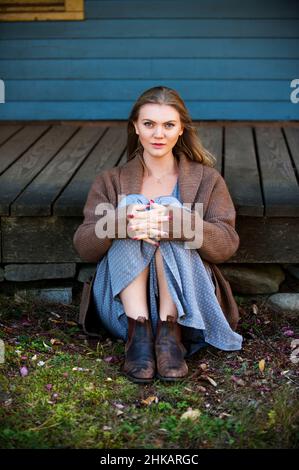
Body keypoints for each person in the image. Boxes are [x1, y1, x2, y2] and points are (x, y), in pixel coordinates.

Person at [73, 86, 243, 384]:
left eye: (168, 125)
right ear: (136, 127)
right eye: (149, 124)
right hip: (121, 307)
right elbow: (84, 245)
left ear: (181, 130)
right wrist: (120, 223)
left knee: (169, 211)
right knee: (132, 209)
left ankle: (169, 335)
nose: (158, 134)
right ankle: (138, 338)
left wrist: (179, 223)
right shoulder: (111, 181)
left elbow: (227, 244)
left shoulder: (207, 180)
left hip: (189, 306)